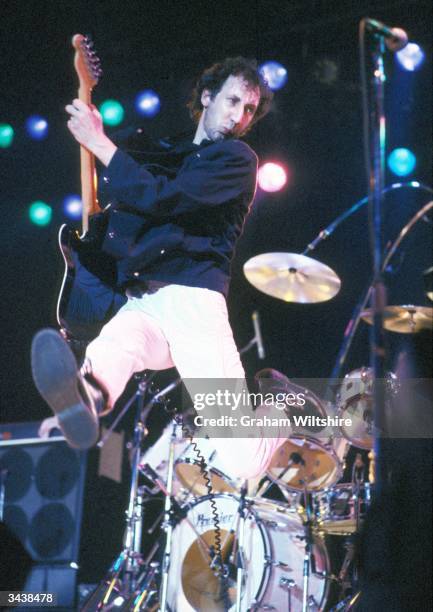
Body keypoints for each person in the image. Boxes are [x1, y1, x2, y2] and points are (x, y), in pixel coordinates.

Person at [31, 57, 287, 479]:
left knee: (242, 464)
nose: (239, 115)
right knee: (115, 344)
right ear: (207, 97)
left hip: (193, 305)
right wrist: (98, 131)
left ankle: (277, 406)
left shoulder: (237, 159)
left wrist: (100, 144)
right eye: (233, 100)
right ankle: (85, 399)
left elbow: (163, 197)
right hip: (146, 299)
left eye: (248, 109)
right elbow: (130, 183)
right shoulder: (171, 151)